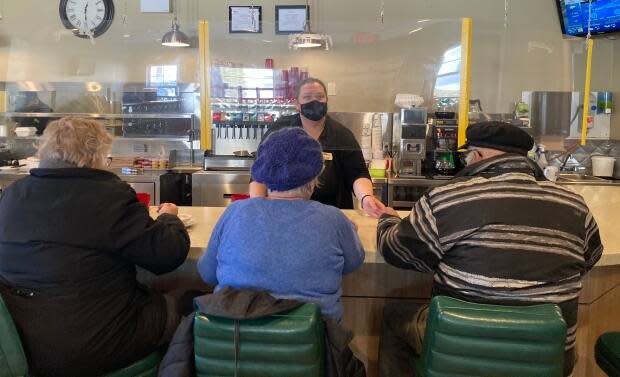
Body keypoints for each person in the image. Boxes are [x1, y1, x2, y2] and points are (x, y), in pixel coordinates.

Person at [375, 121, 603, 377]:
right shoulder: (573, 203)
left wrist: (388, 219)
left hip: (463, 352)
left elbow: (395, 249)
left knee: (396, 316)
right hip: (546, 357)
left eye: (466, 156)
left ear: (479, 155)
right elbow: (591, 257)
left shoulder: (449, 197)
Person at [0, 117, 191, 377]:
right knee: (184, 304)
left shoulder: (11, 195)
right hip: (97, 344)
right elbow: (168, 255)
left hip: (26, 349)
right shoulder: (108, 195)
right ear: (93, 156)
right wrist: (170, 217)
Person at [199, 127, 365, 322]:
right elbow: (353, 262)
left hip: (234, 346)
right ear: (314, 179)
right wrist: (346, 232)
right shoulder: (334, 219)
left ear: (264, 175)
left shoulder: (235, 212)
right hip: (311, 345)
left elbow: (207, 273)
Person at [249, 77, 385, 218]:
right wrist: (257, 206)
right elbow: (260, 172)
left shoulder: (341, 134)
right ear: (297, 104)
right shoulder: (281, 130)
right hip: (282, 214)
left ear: (327, 101)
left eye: (320, 97)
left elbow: (358, 173)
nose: (314, 101)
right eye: (307, 97)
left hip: (331, 215)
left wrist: (366, 197)